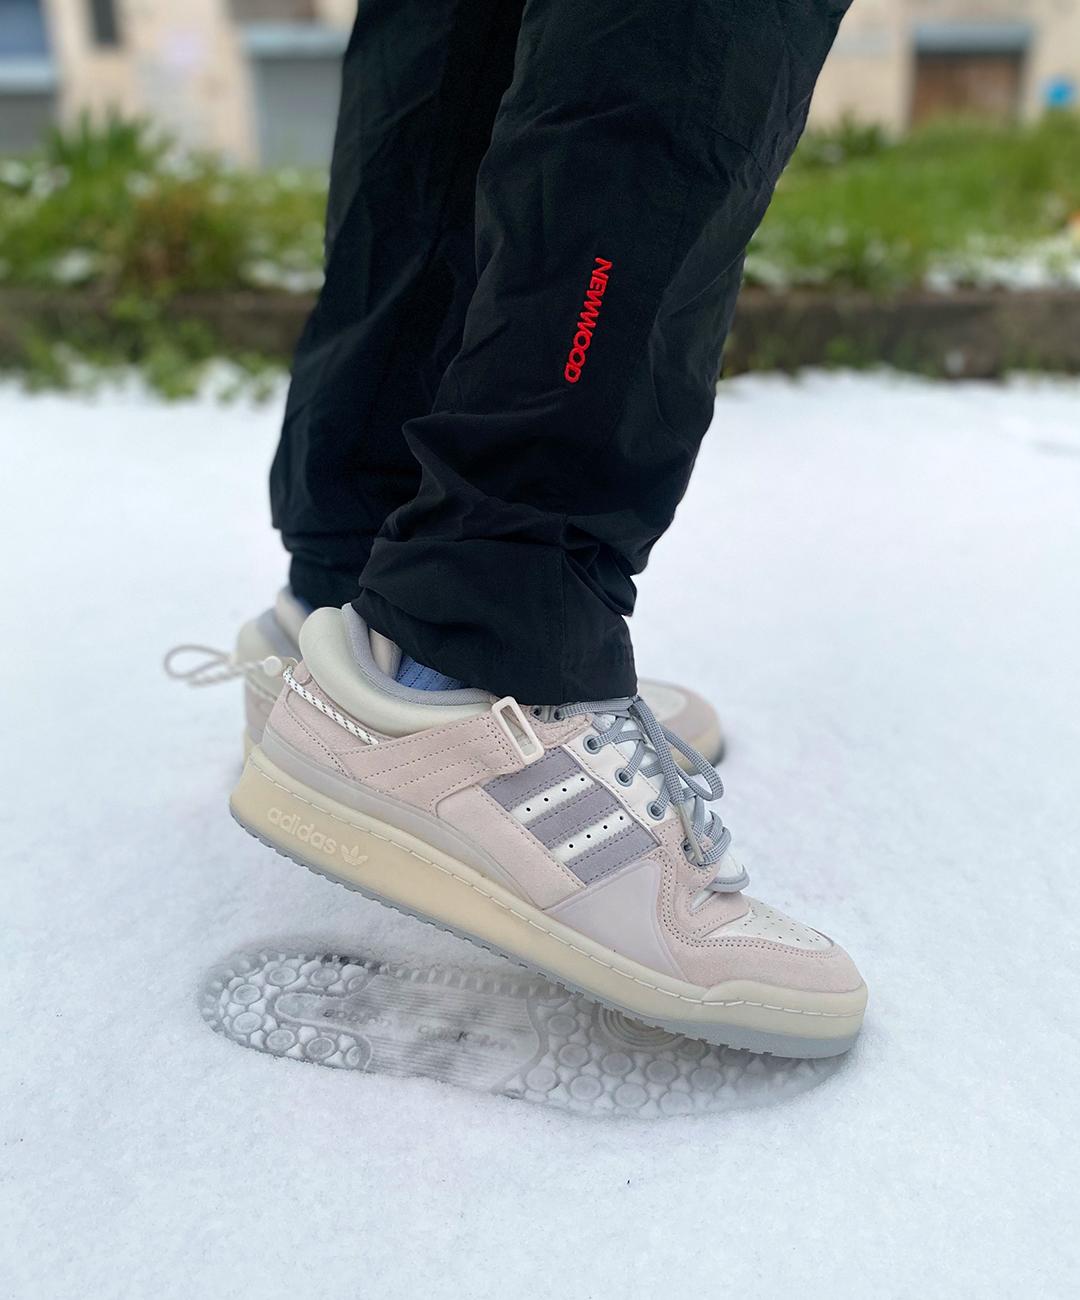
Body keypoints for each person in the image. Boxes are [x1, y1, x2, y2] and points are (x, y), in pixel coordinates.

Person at [230, 0, 868, 1059]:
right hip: (493, 621)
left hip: (365, 541)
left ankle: (349, 607)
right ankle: (478, 656)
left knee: (460, 28)